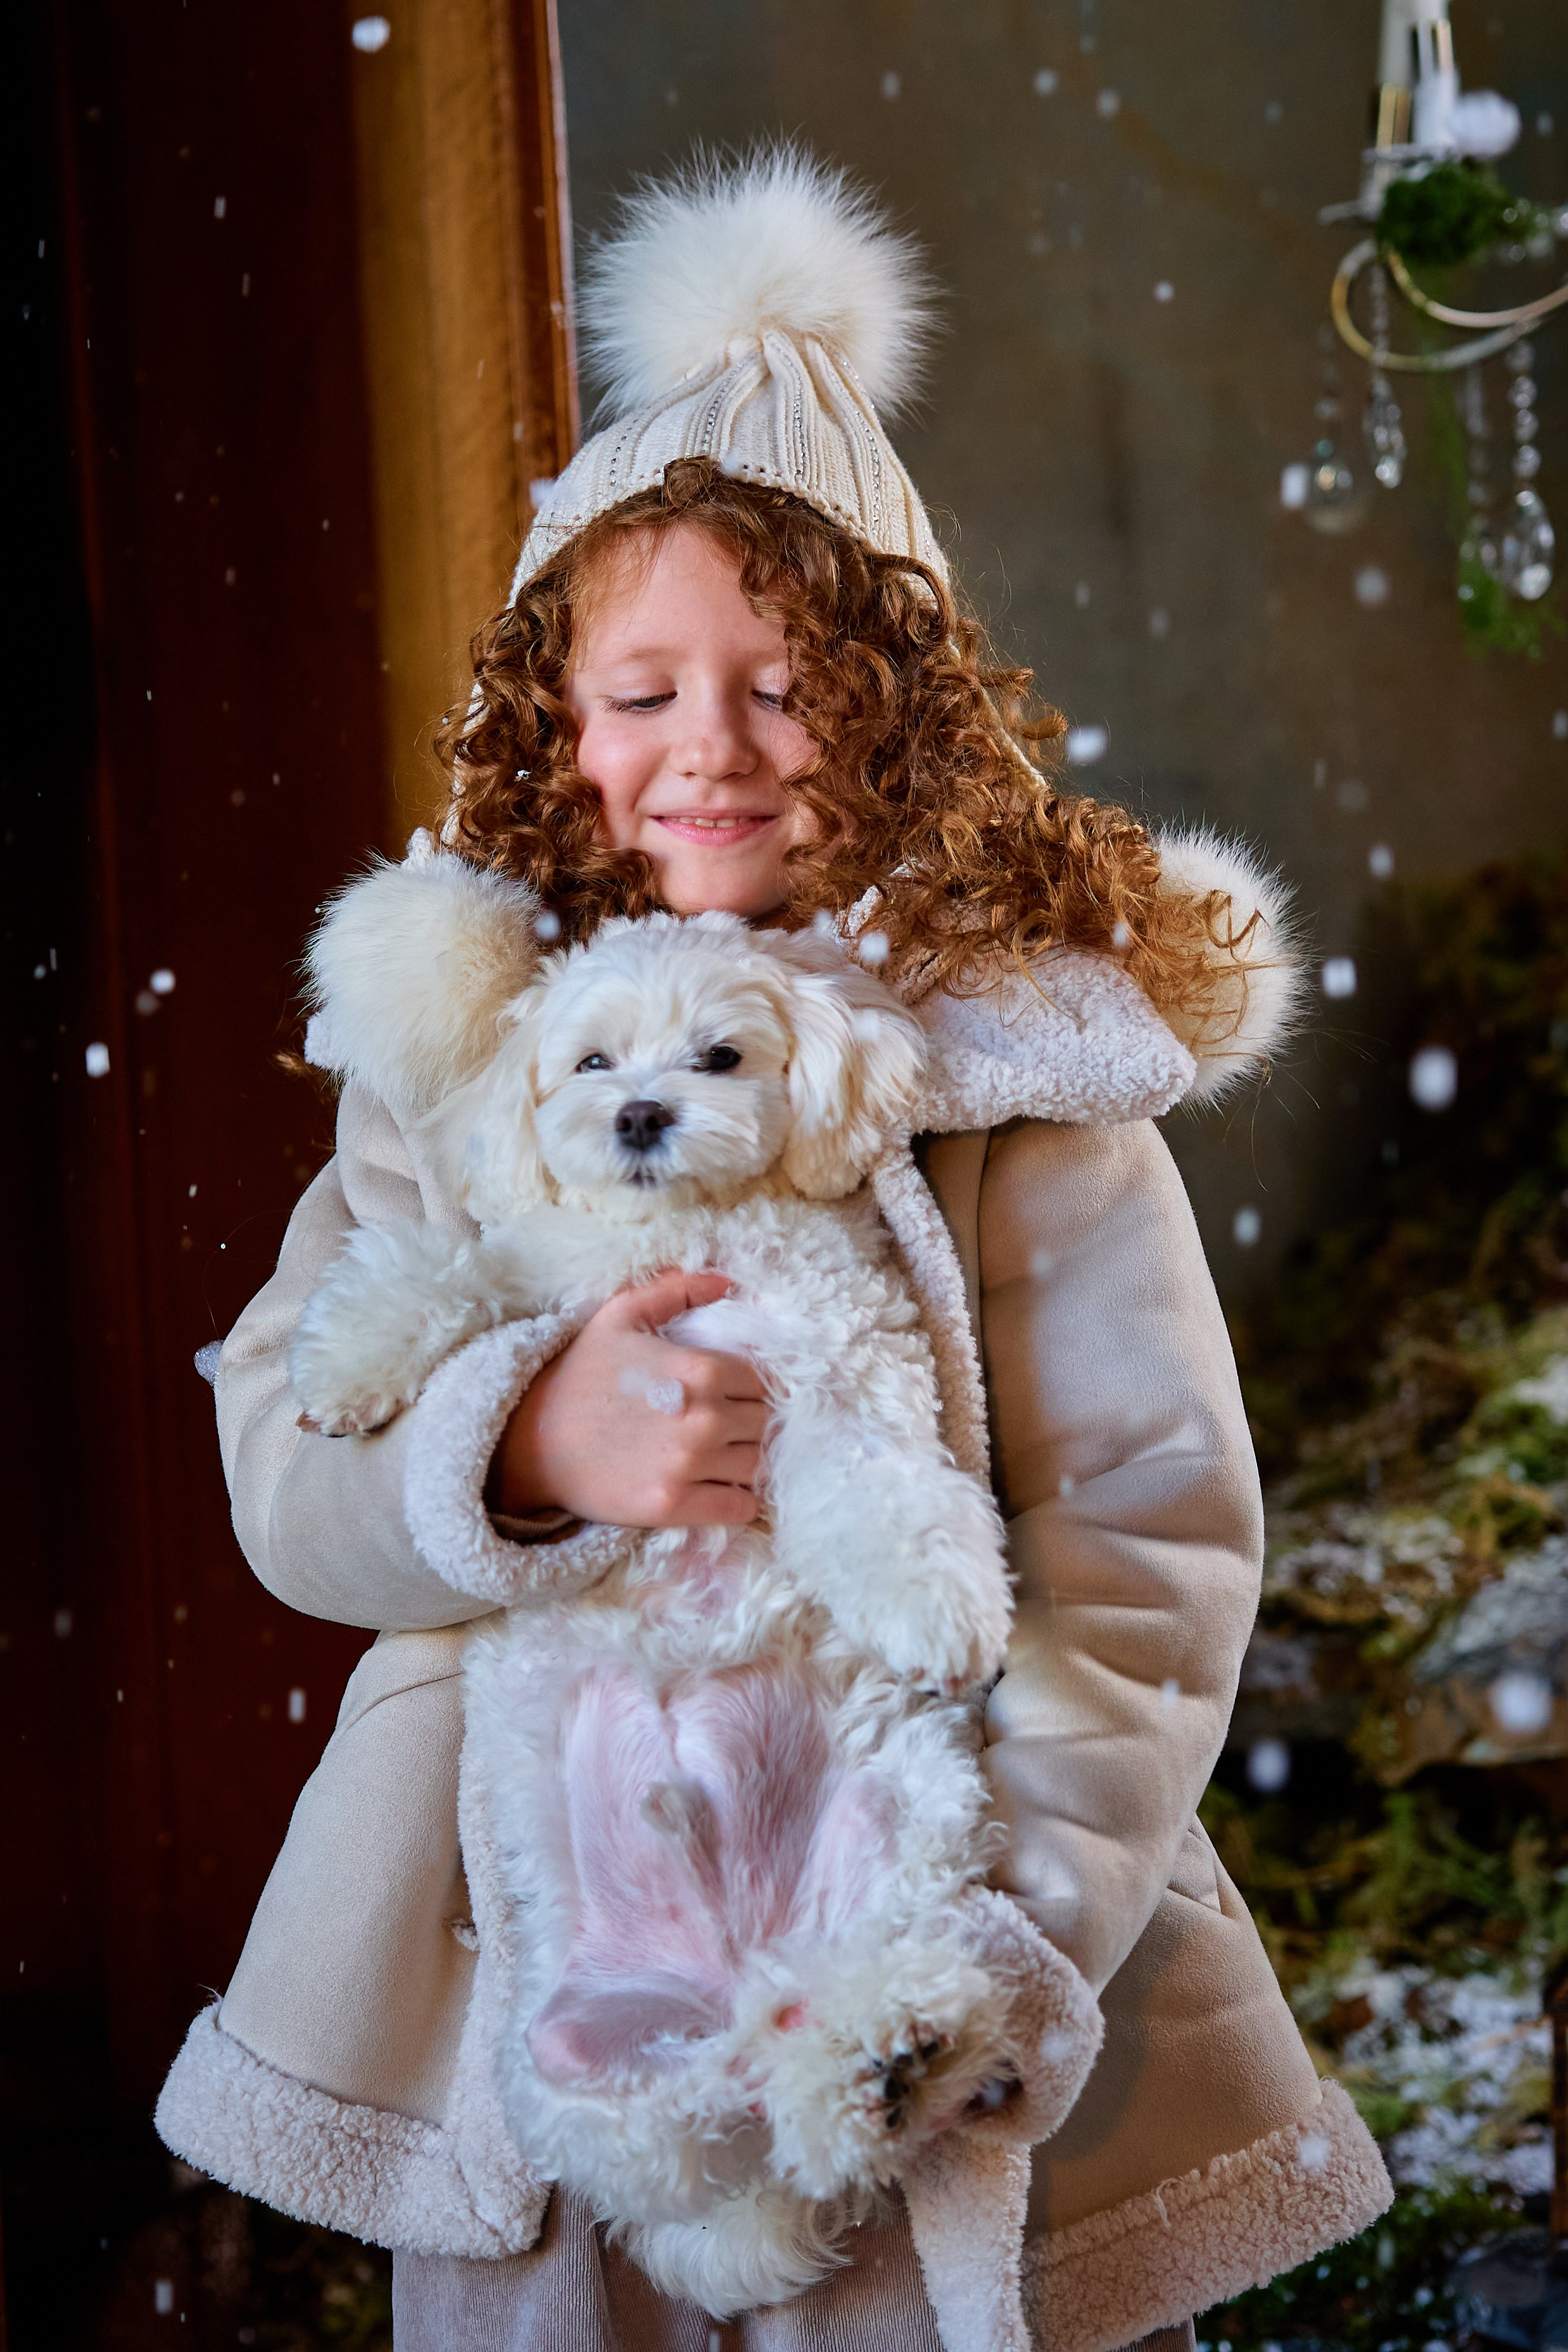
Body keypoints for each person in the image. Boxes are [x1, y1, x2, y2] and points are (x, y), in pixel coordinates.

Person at [156, 150, 1391, 2351]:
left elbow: (1149, 1538)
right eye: (638, 691)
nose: (706, 750)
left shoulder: (1020, 1076)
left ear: (895, 705)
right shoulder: (469, 1070)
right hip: (548, 1925)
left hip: (923, 1897)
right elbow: (288, 1460)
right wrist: (515, 1445)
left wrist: (1003, 1921)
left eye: (783, 682)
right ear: (551, 719)